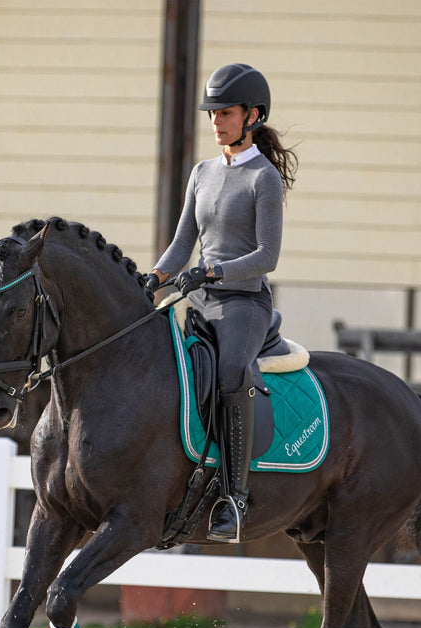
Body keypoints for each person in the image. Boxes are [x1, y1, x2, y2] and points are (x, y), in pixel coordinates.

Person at [146, 63, 298, 543]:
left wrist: (212, 271)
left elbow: (266, 256)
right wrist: (151, 278)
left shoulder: (263, 178)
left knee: (231, 370)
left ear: (252, 115)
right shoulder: (202, 173)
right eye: (212, 113)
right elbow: (180, 244)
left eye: (225, 113)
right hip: (202, 299)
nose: (216, 121)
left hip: (244, 303)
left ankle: (234, 497)